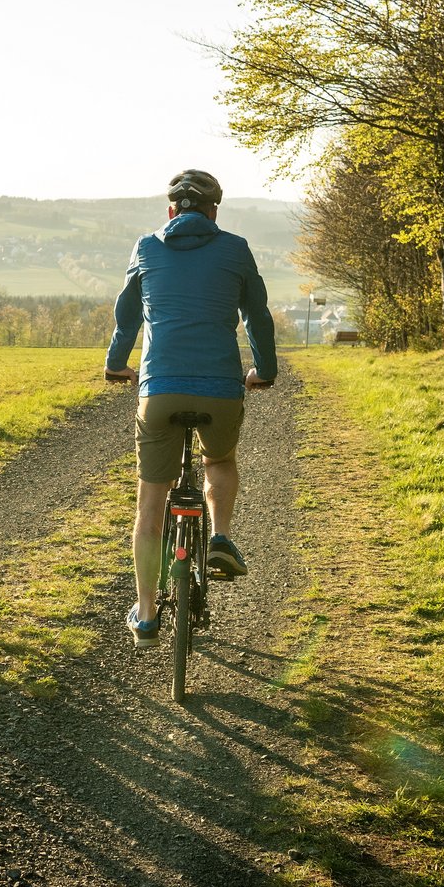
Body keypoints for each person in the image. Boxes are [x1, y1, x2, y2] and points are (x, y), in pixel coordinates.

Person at [104, 169, 276, 648]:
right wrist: (265, 370)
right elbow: (257, 316)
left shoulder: (147, 246)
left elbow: (127, 314)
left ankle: (144, 615)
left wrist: (116, 365)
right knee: (218, 460)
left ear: (171, 211)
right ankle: (218, 537)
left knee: (149, 502)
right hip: (221, 388)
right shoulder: (235, 248)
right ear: (214, 212)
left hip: (160, 389)